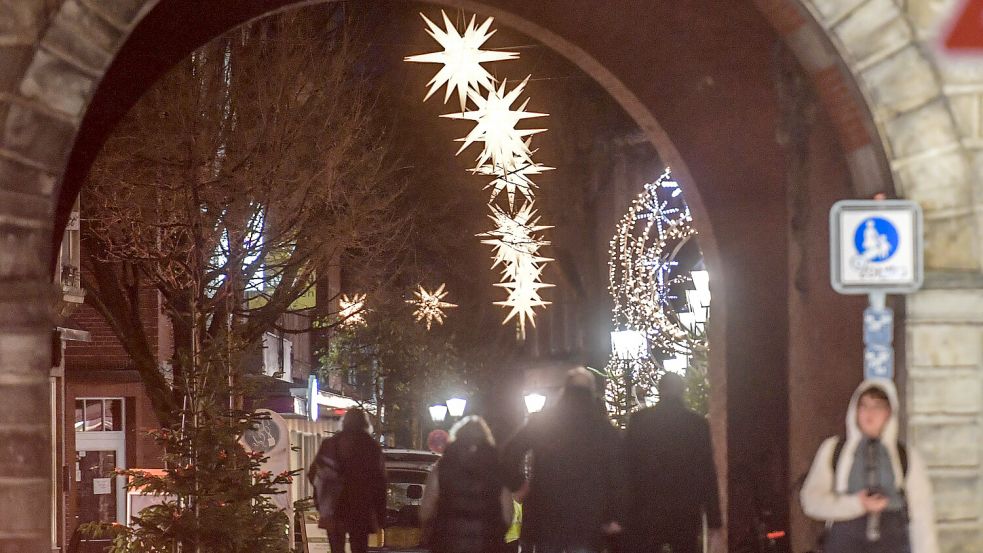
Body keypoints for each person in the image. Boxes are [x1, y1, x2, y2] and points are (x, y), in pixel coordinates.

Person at [800, 379, 938, 553]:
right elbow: (811, 501)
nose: (869, 413)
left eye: (877, 406)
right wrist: (856, 504)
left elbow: (922, 517)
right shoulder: (834, 450)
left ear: (889, 412)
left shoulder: (907, 456)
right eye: (864, 406)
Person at [502, 368, 624, 553]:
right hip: (589, 516)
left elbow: (510, 453)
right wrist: (614, 514)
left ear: (565, 389)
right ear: (591, 391)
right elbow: (618, 473)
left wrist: (519, 485)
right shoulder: (603, 428)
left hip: (546, 513)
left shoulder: (543, 421)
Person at [622, 372, 722, 553]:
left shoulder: (639, 422)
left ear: (660, 391)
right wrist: (714, 518)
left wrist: (623, 511)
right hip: (685, 510)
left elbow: (626, 468)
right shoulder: (697, 425)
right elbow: (707, 472)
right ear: (682, 391)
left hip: (646, 510)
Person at [421, 415, 512, 553]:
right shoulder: (498, 469)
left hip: (448, 544)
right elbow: (508, 514)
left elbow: (425, 511)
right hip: (488, 544)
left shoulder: (441, 468)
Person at [309, 409, 387, 553]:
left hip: (333, 505)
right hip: (361, 506)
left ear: (344, 422)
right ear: (365, 424)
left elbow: (313, 473)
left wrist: (320, 503)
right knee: (359, 547)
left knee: (336, 549)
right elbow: (380, 483)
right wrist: (380, 515)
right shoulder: (371, 447)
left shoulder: (329, 444)